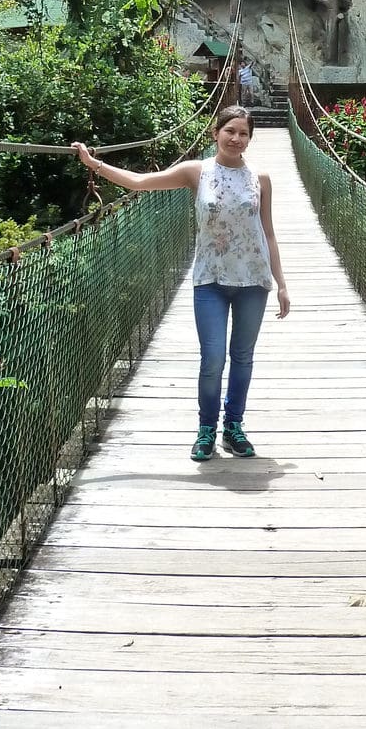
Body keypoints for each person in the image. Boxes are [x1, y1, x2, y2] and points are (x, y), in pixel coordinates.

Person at [72, 106, 290, 462]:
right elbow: (140, 182)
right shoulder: (197, 172)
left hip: (253, 279)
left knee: (243, 358)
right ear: (215, 133)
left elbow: (268, 232)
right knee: (213, 358)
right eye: (230, 131)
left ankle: (233, 428)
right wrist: (92, 164)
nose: (236, 139)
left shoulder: (260, 179)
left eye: (243, 134)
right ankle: (207, 429)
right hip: (210, 280)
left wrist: (281, 283)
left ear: (250, 139)